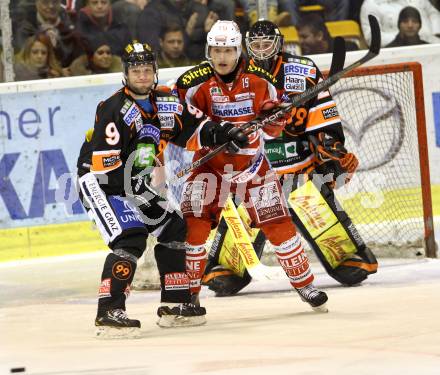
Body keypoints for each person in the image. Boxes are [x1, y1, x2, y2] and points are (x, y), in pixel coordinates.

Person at [76, 41, 247, 336]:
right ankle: (109, 311)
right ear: (126, 74)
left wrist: (225, 133)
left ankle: (174, 304)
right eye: (135, 70)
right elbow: (106, 169)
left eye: (146, 70)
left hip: (134, 184)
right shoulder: (113, 109)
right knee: (131, 238)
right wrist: (142, 187)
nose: (142, 76)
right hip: (102, 183)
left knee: (173, 229)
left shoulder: (165, 102)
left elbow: (197, 126)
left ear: (154, 72)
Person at [202, 20, 377, 296]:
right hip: (252, 174)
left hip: (299, 171)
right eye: (255, 45)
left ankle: (346, 256)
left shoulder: (302, 70)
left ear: (279, 44)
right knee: (225, 272)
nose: (261, 51)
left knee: (349, 263)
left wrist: (330, 151)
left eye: (266, 44)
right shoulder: (232, 76)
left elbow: (322, 112)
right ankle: (226, 267)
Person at [175, 20, 329, 312]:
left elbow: (272, 130)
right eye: (216, 50)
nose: (222, 57)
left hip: (252, 165)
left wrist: (277, 116)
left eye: (229, 50)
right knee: (193, 228)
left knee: (278, 224)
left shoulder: (261, 79)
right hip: (210, 168)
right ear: (209, 50)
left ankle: (306, 286)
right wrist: (217, 132)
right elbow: (182, 127)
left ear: (239, 50)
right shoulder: (191, 82)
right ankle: (189, 296)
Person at [12, 0, 84, 70]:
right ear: (37, 3)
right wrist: (42, 37)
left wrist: (57, 44)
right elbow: (24, 57)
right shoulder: (25, 27)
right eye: (45, 2)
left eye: (55, 1)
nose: (51, 6)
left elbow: (77, 55)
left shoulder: (70, 23)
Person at [360, 0, 440, 46]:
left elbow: (433, 13)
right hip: (398, 50)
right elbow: (373, 38)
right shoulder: (371, 5)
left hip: (433, 43)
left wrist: (436, 32)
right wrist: (405, 40)